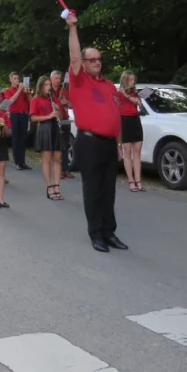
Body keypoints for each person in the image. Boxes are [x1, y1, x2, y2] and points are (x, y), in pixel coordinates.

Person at [66, 13, 128, 253]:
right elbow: (73, 55)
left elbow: (116, 117)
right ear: (84, 63)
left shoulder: (109, 85)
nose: (96, 63)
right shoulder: (80, 81)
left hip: (109, 144)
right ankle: (96, 234)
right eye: (91, 60)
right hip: (89, 142)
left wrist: (119, 145)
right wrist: (72, 29)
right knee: (92, 190)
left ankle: (109, 231)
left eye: (99, 59)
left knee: (108, 191)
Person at [31, 76, 64, 201]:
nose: (48, 87)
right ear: (41, 86)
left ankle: (57, 186)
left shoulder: (53, 98)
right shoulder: (36, 99)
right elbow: (33, 118)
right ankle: (49, 187)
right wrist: (48, 116)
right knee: (46, 160)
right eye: (46, 85)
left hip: (55, 128)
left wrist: (57, 109)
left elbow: (60, 116)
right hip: (45, 129)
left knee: (57, 159)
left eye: (49, 85)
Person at [119, 70, 145, 192]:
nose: (133, 82)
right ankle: (131, 181)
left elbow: (139, 103)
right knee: (127, 153)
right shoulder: (118, 93)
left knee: (137, 152)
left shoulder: (134, 93)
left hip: (135, 121)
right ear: (125, 80)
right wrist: (123, 94)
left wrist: (128, 95)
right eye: (130, 80)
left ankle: (139, 180)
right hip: (124, 121)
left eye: (134, 80)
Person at [4, 72, 32, 170]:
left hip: (23, 115)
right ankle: (17, 162)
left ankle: (23, 162)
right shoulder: (8, 90)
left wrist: (28, 93)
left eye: (17, 78)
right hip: (14, 115)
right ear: (11, 80)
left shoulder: (23, 90)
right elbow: (10, 101)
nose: (17, 80)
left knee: (23, 139)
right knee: (16, 139)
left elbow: (30, 101)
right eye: (15, 78)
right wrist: (19, 89)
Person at [50, 69, 74, 179]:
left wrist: (67, 102)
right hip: (54, 120)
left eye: (59, 78)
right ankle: (57, 170)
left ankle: (65, 169)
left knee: (65, 145)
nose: (58, 80)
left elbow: (71, 104)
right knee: (56, 147)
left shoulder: (63, 90)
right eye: (56, 78)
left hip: (65, 119)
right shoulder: (48, 91)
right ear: (51, 79)